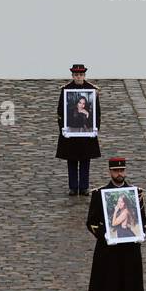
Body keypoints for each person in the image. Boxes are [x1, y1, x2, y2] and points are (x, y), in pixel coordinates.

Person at [87, 157, 146, 291]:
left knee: (128, 288)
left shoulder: (135, 194)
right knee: (110, 289)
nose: (119, 174)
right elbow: (91, 222)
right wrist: (103, 235)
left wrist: (140, 233)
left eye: (122, 171)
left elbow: (143, 220)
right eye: (115, 171)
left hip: (130, 250)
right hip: (109, 251)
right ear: (110, 172)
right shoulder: (100, 194)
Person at [56, 64, 101, 196]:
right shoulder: (66, 90)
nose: (78, 77)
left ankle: (84, 187)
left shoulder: (91, 90)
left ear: (84, 75)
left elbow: (97, 113)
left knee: (85, 161)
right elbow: (60, 112)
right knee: (72, 160)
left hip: (87, 134)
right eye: (76, 75)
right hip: (70, 134)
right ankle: (73, 187)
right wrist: (62, 129)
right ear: (72, 76)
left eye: (81, 75)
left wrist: (96, 128)